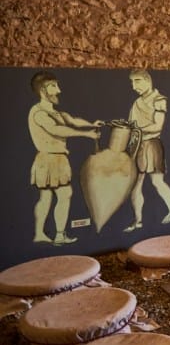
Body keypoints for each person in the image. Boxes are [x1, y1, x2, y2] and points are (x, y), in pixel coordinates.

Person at [28, 71, 103, 245]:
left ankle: (42, 234)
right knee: (63, 194)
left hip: (56, 159)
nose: (58, 90)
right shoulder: (38, 112)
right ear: (43, 90)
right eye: (53, 86)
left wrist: (91, 124)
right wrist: (87, 134)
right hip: (49, 159)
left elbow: (73, 120)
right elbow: (56, 130)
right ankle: (58, 235)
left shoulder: (55, 112)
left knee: (46, 197)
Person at [125, 69, 170, 231]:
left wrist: (138, 130)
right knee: (135, 184)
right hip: (137, 146)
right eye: (132, 82)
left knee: (157, 181)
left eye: (137, 81)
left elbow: (157, 126)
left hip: (151, 145)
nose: (134, 86)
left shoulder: (159, 99)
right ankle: (138, 220)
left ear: (147, 80)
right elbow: (131, 125)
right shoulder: (136, 103)